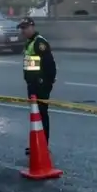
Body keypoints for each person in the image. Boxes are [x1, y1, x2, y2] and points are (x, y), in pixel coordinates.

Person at [18, 17, 56, 155]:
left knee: (41, 115)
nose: (24, 31)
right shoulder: (30, 43)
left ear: (32, 27)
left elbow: (50, 64)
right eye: (22, 28)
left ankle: (43, 144)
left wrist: (48, 83)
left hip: (40, 85)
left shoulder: (40, 42)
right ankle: (37, 144)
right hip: (32, 85)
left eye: (26, 28)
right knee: (36, 116)